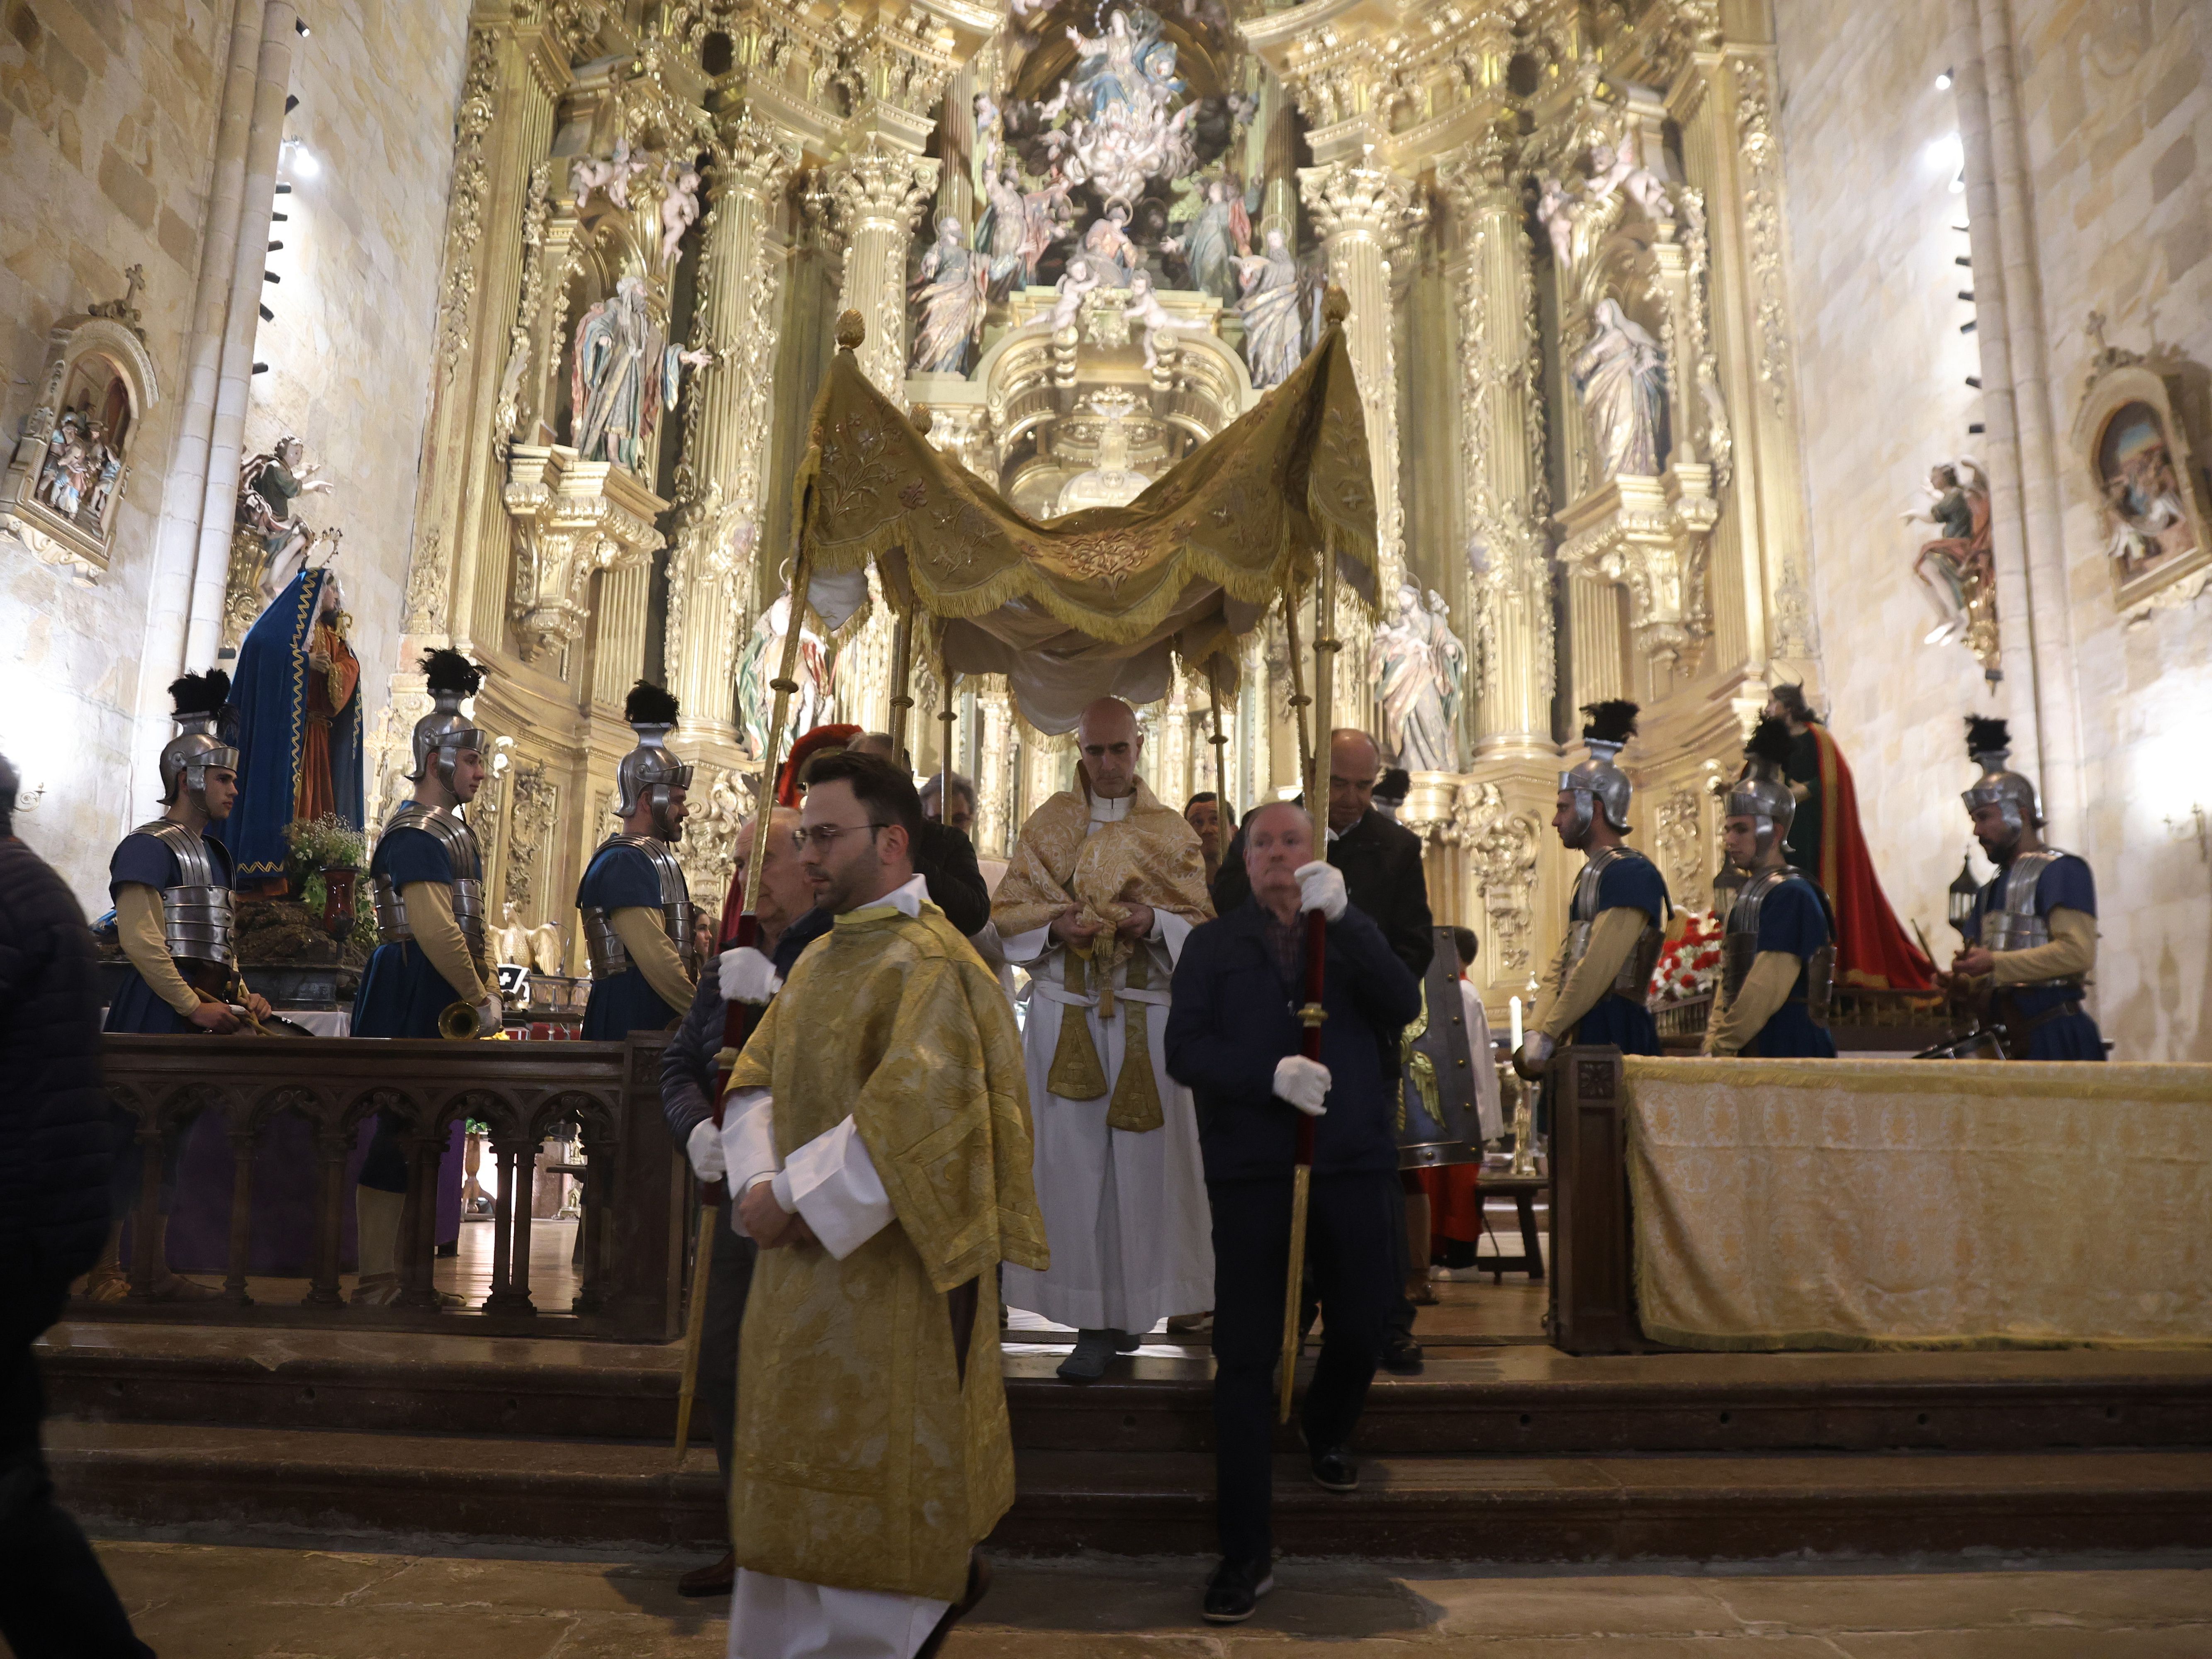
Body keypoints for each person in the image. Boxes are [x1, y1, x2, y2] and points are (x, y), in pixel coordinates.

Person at [715, 750, 1048, 1659]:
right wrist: (753, 1180)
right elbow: (753, 1083)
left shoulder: (933, 963)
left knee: (874, 1533)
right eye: (806, 835)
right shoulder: (823, 953)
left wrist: (787, 1192)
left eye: (826, 834)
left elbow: (915, 1118)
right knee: (785, 1531)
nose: (809, 854)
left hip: (887, 1286)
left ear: (891, 841)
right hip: (795, 1281)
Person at [1164, 801, 1421, 1624]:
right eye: (1261, 843)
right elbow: (1184, 1049)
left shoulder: (1343, 928)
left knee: (1361, 1322)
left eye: (1290, 841)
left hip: (1348, 1159)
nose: (1275, 854)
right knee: (1242, 1358)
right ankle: (1244, 1551)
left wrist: (1347, 921)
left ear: (1316, 856)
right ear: (1243, 859)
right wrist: (1266, 1071)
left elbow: (1399, 1001)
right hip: (1251, 1170)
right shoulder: (1211, 944)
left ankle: (1325, 1419)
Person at [993, 698, 1216, 1380]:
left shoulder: (1170, 832)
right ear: (1078, 753)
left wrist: (1154, 924)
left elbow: (1201, 928)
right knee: (1074, 1173)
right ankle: (1090, 1321)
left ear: (1138, 745)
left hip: (1146, 1023)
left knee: (1145, 1177)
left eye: (1118, 750)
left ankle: (1131, 1313)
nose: (1108, 764)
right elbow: (1007, 914)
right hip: (1069, 1022)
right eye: (1094, 752)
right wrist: (1055, 928)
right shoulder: (1048, 825)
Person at [0, 755, 157, 1659]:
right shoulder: (35, 892)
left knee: (3, 1501)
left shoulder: (6, 900)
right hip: (26, 1228)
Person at [1214, 730, 1435, 1371]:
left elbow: (1413, 948)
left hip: (1357, 1043)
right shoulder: (1267, 829)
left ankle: (1382, 1319)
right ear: (1311, 773)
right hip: (1275, 1044)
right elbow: (1228, 907)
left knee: (1368, 1193)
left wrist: (1351, 950)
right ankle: (1289, 1309)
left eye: (1364, 787)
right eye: (1338, 783)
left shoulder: (1395, 848)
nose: (1350, 799)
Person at [660, 804, 813, 1599]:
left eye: (765, 860)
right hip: (731, 1205)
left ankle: (802, 1544)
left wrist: (784, 988)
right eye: (742, 860)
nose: (749, 879)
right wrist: (694, 1132)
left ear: (809, 863)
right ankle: (745, 1539)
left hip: (811, 1204)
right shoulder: (729, 962)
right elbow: (679, 1067)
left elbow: (838, 1053)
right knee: (725, 1363)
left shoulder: (837, 950)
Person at [88, 669, 272, 1303]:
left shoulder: (215, 855)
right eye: (224, 777)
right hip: (157, 1010)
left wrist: (242, 993)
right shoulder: (145, 847)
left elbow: (220, 943)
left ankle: (152, 1268)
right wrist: (194, 1007)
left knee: (172, 1142)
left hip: (204, 1009)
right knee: (127, 1140)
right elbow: (142, 941)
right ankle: (103, 1270)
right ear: (190, 777)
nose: (233, 788)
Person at [350, 649, 499, 1306]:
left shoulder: (453, 834)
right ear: (438, 759)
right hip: (413, 981)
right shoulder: (414, 832)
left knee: (423, 1137)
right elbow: (436, 929)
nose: (481, 773)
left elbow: (468, 927)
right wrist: (477, 995)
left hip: (439, 983)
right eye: (472, 761)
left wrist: (485, 986)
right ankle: (379, 1279)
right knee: (396, 1132)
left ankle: (410, 1278)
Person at [1936, 716, 2105, 1061]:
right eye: (1974, 820)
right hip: (2009, 1039)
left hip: (2056, 1035)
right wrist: (1963, 982)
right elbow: (1989, 968)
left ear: (2021, 814)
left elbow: (2078, 953)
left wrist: (1992, 963)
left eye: (1984, 817)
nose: (1977, 831)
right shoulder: (1988, 891)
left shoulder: (2062, 871)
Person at [1515, 701, 1670, 1076]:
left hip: (1614, 1031)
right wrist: (1538, 1030)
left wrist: (1549, 1032)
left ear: (1594, 808)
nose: (1555, 820)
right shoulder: (1593, 874)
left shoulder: (1631, 872)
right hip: (1583, 1025)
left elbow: (1598, 965)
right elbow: (1567, 961)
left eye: (1564, 808)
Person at [1763, 683, 1932, 991]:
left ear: (1788, 707)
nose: (1768, 708)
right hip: (1781, 831)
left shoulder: (1817, 738)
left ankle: (1824, 965)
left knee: (1812, 888)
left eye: (1773, 702)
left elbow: (1836, 779)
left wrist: (1806, 790)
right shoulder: (1772, 744)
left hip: (1813, 831)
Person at [222, 564, 363, 891]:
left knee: (317, 809)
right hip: (285, 739)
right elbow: (260, 650)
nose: (337, 597)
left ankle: (311, 881)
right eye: (332, 589)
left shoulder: (332, 636)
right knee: (290, 800)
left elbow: (350, 666)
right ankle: (275, 876)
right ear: (315, 591)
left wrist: (334, 672)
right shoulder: (284, 631)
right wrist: (303, 663)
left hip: (318, 738)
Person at [1704, 719, 1837, 1059]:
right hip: (1755, 1045)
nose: (1729, 841)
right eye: (1727, 830)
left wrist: (1721, 1046)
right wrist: (1712, 1046)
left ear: (1775, 832)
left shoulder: (1791, 893)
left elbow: (1765, 988)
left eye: (1740, 830)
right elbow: (1730, 985)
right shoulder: (1752, 896)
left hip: (1788, 1046)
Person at [577, 681, 698, 1038]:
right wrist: (703, 1016)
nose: (685, 810)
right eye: (676, 800)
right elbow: (656, 959)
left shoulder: (646, 858)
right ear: (647, 800)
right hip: (630, 1026)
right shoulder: (625, 862)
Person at [1411, 927, 1501, 1278]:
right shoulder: (1457, 990)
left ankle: (1460, 1257)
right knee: (1441, 1183)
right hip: (1450, 1098)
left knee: (1456, 1187)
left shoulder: (1460, 992)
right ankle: (1441, 1255)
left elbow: (1463, 1051)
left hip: (1457, 1100)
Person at [1183, 791, 1231, 887]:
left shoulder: (1250, 885)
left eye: (1215, 820)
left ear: (1234, 830)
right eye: (1198, 822)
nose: (1207, 830)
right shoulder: (1179, 888)